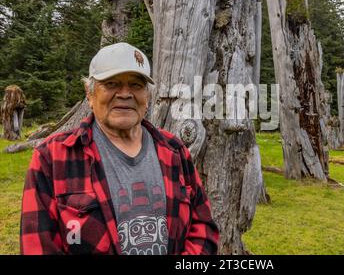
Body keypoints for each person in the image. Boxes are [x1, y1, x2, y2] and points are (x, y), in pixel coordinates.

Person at [20, 42, 219, 255]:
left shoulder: (174, 150)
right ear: (89, 94)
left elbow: (203, 228)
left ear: (147, 96)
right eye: (111, 84)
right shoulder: (51, 157)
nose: (125, 94)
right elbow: (37, 247)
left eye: (136, 85)